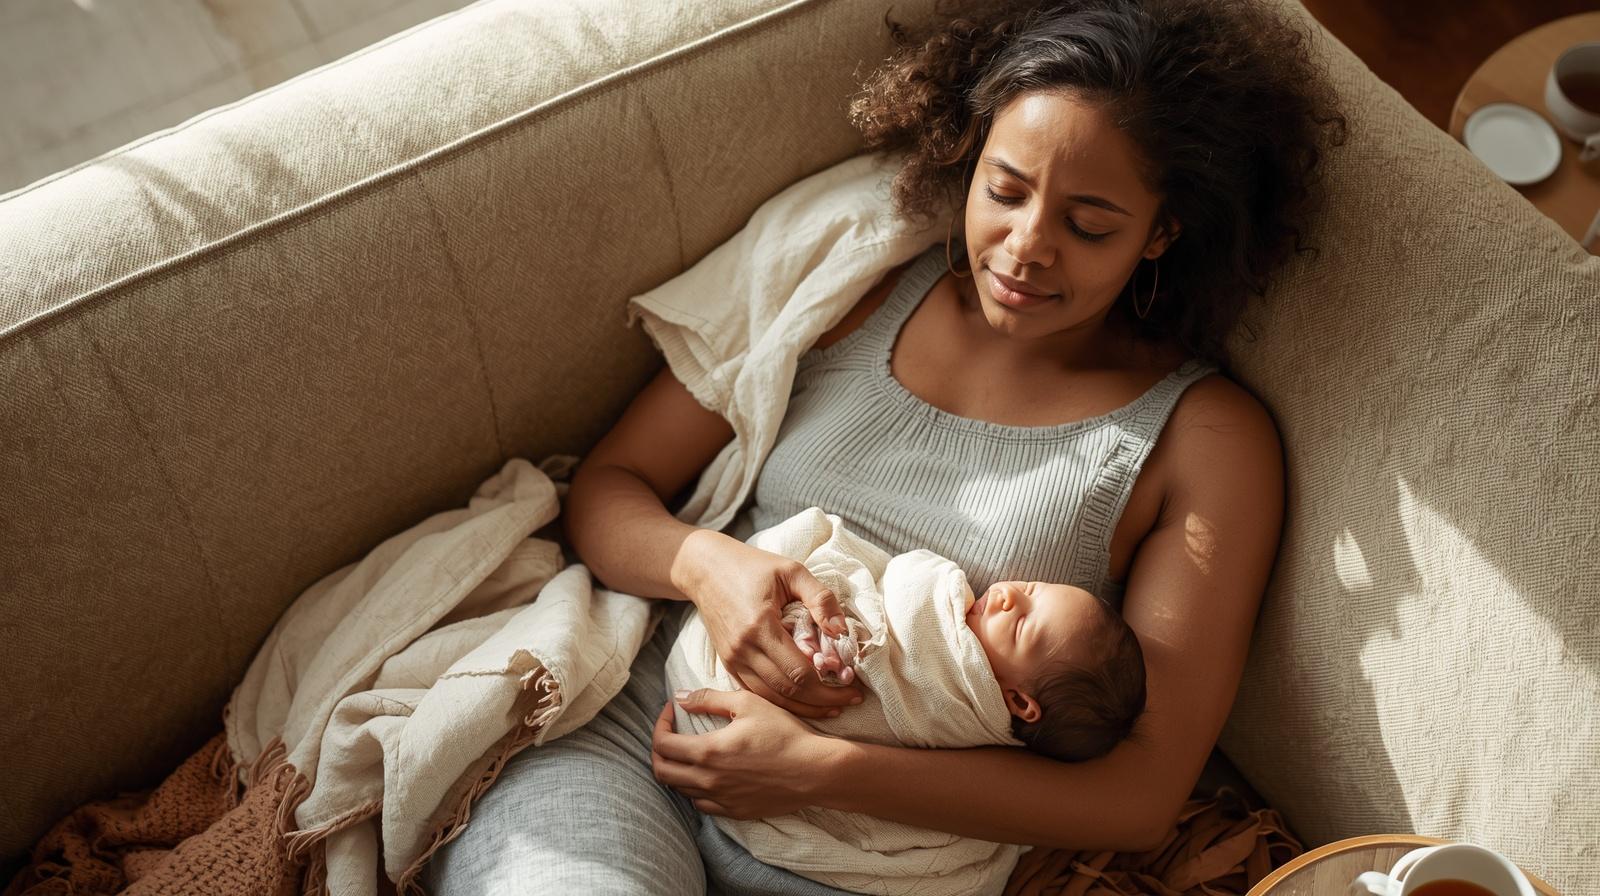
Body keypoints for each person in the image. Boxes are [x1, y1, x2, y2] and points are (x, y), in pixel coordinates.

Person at [424, 0, 1345, 892]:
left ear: (1162, 232)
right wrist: (709, 566)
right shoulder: (858, 287)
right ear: (970, 157)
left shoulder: (1204, 442)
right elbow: (609, 488)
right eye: (1006, 190)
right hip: (641, 739)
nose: (1026, 248)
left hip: (883, 858)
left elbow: (1140, 795)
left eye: (1089, 224)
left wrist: (816, 769)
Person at [663, 506, 1145, 895]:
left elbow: (888, 669)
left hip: (744, 778)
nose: (1006, 596)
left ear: (1020, 704)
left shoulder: (958, 698)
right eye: (1031, 590)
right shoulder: (947, 606)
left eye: (1021, 624)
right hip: (698, 635)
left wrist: (841, 648)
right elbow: (879, 596)